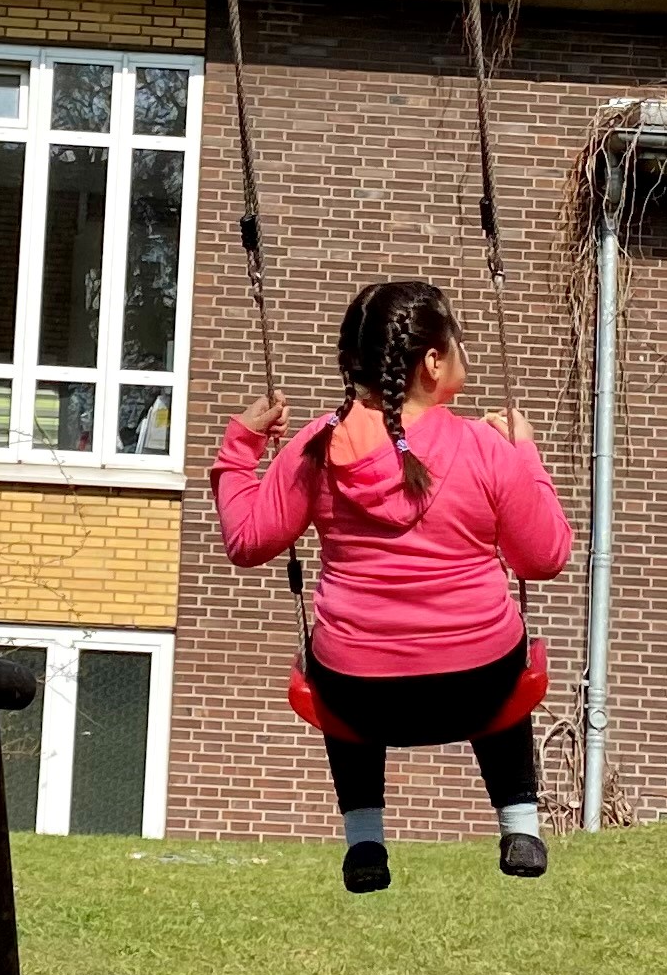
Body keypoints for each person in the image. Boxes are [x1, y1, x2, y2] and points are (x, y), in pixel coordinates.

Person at [215, 279, 573, 893]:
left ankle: (365, 843)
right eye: (456, 340)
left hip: (360, 697)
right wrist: (526, 454)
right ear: (433, 362)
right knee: (500, 639)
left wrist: (239, 448)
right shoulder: (487, 448)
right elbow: (544, 557)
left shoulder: (315, 449)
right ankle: (519, 823)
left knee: (338, 651)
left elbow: (247, 541)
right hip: (482, 687)